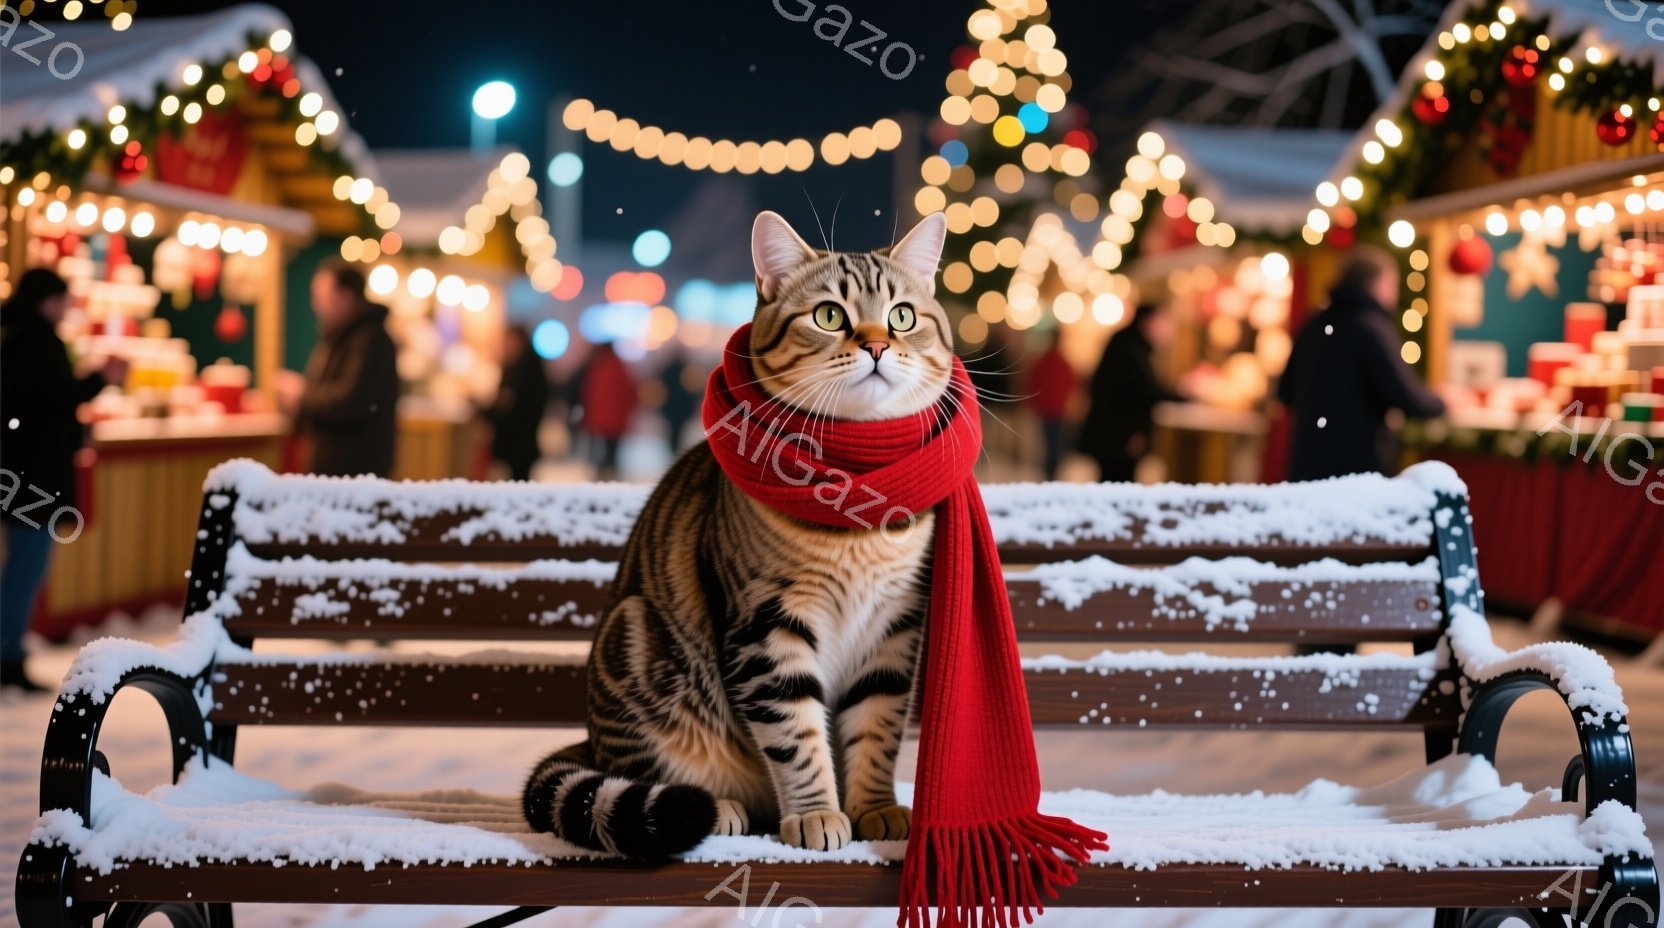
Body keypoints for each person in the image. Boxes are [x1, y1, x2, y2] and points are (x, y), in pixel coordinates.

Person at [0, 269, 126, 692]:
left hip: (16, 473)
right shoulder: (35, 342)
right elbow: (55, 401)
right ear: (48, 300)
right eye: (62, 299)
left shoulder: (15, 336)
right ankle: (7, 656)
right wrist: (99, 381)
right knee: (27, 567)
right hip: (31, 477)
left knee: (22, 565)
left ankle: (9, 651)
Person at [1278, 249, 1446, 482]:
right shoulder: (1372, 327)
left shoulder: (1313, 324)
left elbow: (1285, 393)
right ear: (1378, 283)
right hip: (1357, 468)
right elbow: (1405, 396)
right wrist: (1442, 402)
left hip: (1308, 464)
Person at [293, 261, 399, 478]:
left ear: (346, 295)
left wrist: (301, 397)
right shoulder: (341, 337)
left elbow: (353, 400)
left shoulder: (369, 339)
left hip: (354, 473)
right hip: (338, 468)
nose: (316, 304)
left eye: (322, 296)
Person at [1078, 303, 1182, 482]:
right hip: (1119, 436)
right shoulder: (1130, 348)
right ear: (1147, 322)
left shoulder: (1128, 344)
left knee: (1113, 482)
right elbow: (1142, 391)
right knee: (1117, 483)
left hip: (1113, 434)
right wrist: (1183, 395)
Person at [483, 325, 549, 481]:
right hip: (514, 441)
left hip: (520, 441)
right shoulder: (514, 366)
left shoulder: (527, 370)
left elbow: (517, 404)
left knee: (518, 482)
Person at [577, 342, 636, 479]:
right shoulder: (619, 367)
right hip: (616, 420)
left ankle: (600, 476)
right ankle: (610, 476)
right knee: (612, 452)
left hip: (598, 418)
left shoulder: (597, 366)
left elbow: (587, 393)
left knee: (598, 451)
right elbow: (630, 393)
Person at [1025, 330, 1077, 480]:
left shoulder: (1045, 361)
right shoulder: (1061, 362)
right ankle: (1051, 469)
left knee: (1049, 442)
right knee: (1053, 442)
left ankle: (1050, 469)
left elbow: (1032, 383)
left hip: (1049, 408)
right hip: (1055, 408)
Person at [658, 350, 700, 458]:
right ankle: (675, 448)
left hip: (670, 406)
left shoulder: (666, 370)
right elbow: (693, 388)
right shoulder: (686, 370)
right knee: (678, 429)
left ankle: (673, 448)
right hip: (683, 406)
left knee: (673, 429)